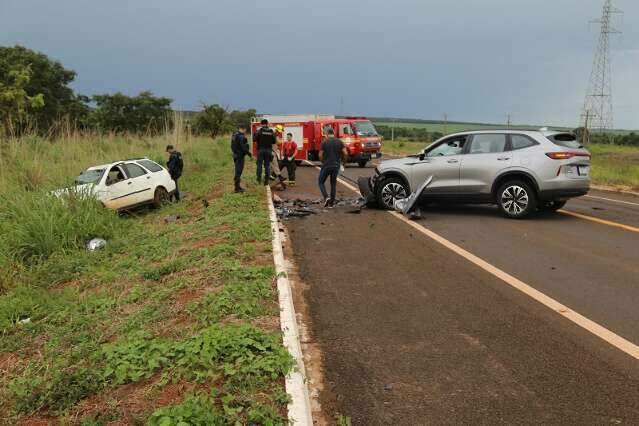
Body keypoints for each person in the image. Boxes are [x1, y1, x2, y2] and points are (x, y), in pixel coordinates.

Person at [318, 128, 347, 207]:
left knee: (321, 182)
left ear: (327, 133)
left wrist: (323, 162)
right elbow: (345, 153)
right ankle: (331, 203)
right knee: (333, 184)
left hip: (326, 165)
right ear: (333, 133)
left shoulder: (324, 142)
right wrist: (343, 163)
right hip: (336, 165)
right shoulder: (339, 142)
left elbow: (320, 155)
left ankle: (326, 197)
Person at [253, 119, 277, 185]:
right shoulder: (271, 131)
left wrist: (255, 135)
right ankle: (266, 181)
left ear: (261, 124)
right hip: (268, 150)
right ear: (267, 124)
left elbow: (254, 139)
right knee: (267, 165)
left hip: (261, 150)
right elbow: (274, 141)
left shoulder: (259, 131)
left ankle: (258, 180)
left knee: (259, 165)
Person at [231, 125, 251, 193]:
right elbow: (244, 147)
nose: (245, 131)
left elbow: (232, 146)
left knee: (237, 171)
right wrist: (249, 153)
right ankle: (237, 188)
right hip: (240, 156)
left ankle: (238, 187)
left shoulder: (234, 135)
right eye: (245, 130)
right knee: (238, 172)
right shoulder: (241, 136)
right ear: (243, 129)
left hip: (235, 155)